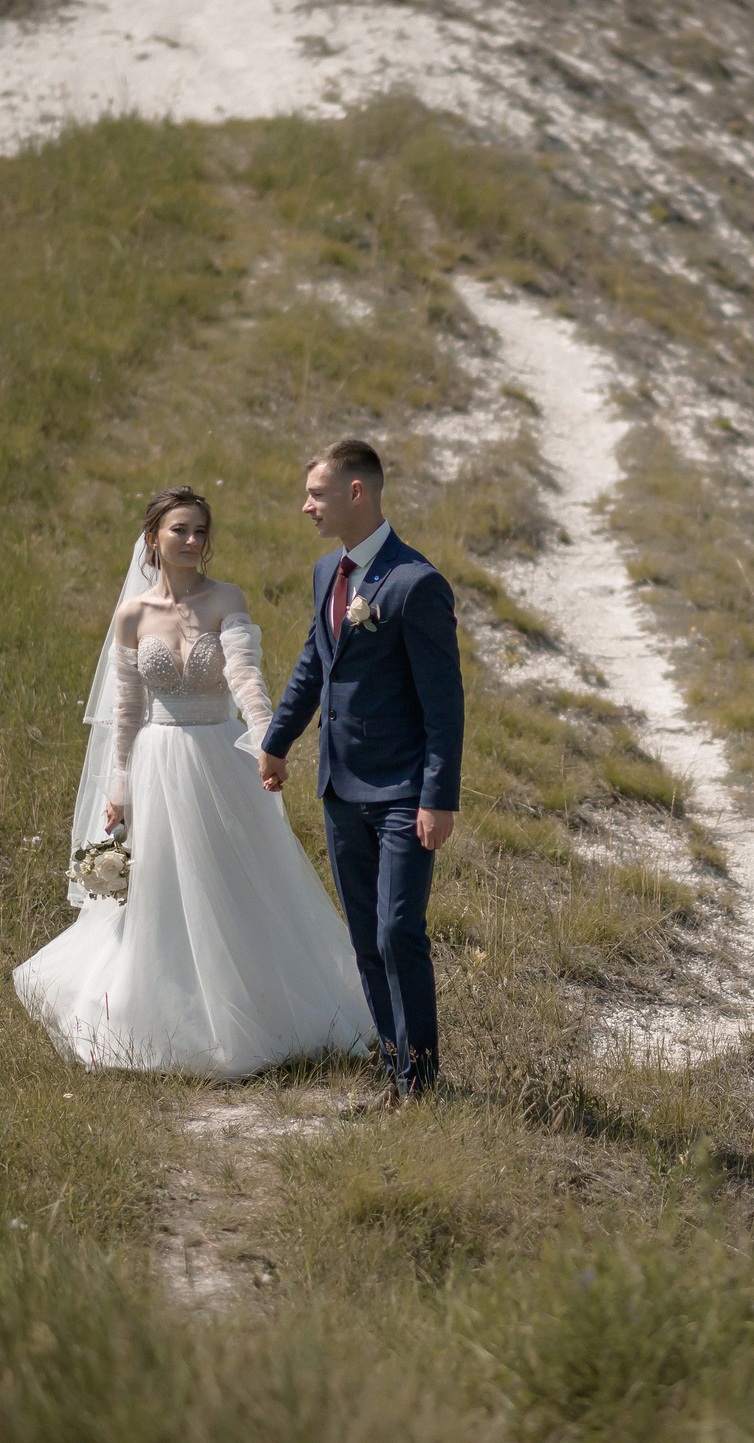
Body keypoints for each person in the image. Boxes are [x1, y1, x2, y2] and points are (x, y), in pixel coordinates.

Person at [13, 487, 377, 1078]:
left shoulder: (223, 599)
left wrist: (267, 739)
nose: (191, 541)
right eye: (180, 529)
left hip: (220, 756)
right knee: (161, 888)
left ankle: (258, 1006)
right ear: (153, 537)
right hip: (158, 762)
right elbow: (125, 712)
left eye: (201, 531)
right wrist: (119, 788)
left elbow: (244, 675)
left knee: (236, 879)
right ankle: (158, 1010)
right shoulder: (132, 615)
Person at [259, 439, 465, 1103]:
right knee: (364, 939)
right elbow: (314, 664)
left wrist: (439, 797)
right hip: (340, 787)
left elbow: (444, 705)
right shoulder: (327, 574)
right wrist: (278, 738)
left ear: (357, 492)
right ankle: (392, 1070)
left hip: (405, 792)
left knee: (397, 929)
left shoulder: (416, 583)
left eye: (317, 493)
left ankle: (421, 1078)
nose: (306, 505)